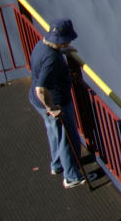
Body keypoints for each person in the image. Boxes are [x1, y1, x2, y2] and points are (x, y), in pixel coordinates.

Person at [28, 18, 87, 189]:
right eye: (67, 39)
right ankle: (71, 177)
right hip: (56, 102)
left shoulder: (41, 45)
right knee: (68, 140)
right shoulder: (51, 60)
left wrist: (64, 51)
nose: (69, 41)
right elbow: (41, 89)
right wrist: (51, 108)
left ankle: (56, 165)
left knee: (54, 134)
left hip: (35, 100)